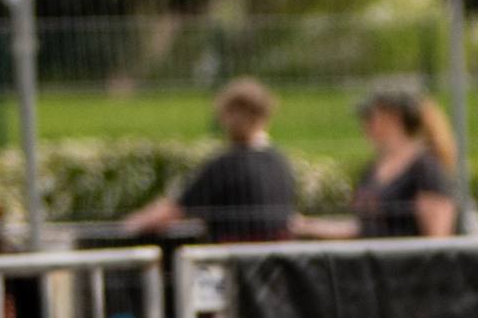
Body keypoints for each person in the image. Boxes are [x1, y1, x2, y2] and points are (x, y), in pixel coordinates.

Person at [122, 77, 295, 244]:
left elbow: (170, 212)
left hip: (233, 265)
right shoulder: (280, 162)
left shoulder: (226, 165)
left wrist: (127, 227)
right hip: (276, 267)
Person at [292, 88, 462, 240]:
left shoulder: (426, 168)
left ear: (393, 117)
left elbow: (437, 241)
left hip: (410, 273)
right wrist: (310, 226)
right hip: (375, 272)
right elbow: (364, 228)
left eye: (369, 116)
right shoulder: (373, 169)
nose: (364, 124)